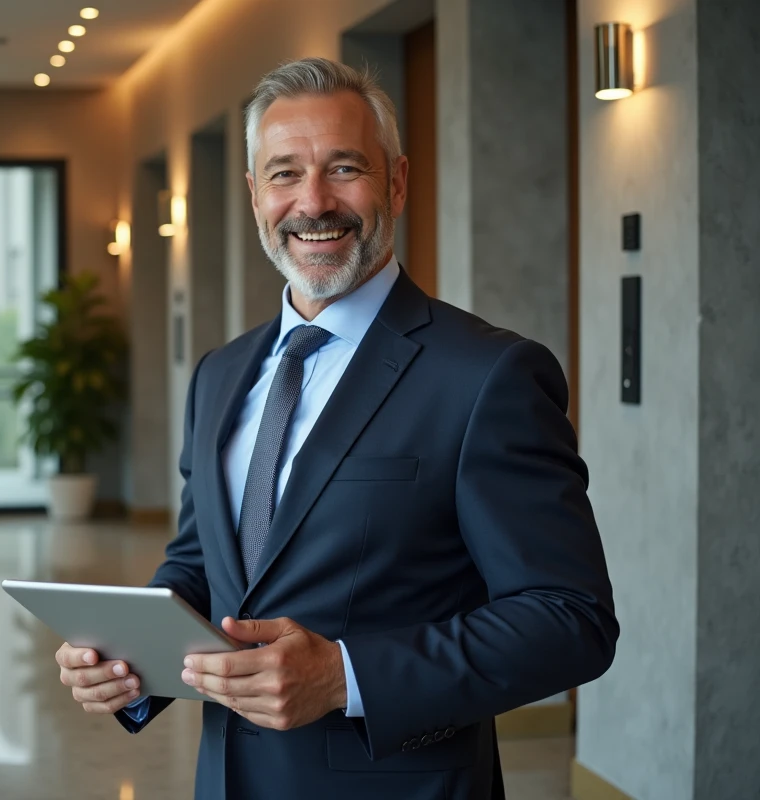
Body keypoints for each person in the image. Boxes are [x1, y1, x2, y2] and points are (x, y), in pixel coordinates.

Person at [54, 57, 618, 800]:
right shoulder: (221, 375)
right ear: (255, 195)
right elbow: (204, 567)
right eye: (284, 174)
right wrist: (133, 663)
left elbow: (569, 618)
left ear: (397, 182)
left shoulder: (489, 376)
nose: (313, 202)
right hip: (227, 780)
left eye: (344, 167)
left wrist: (345, 677)